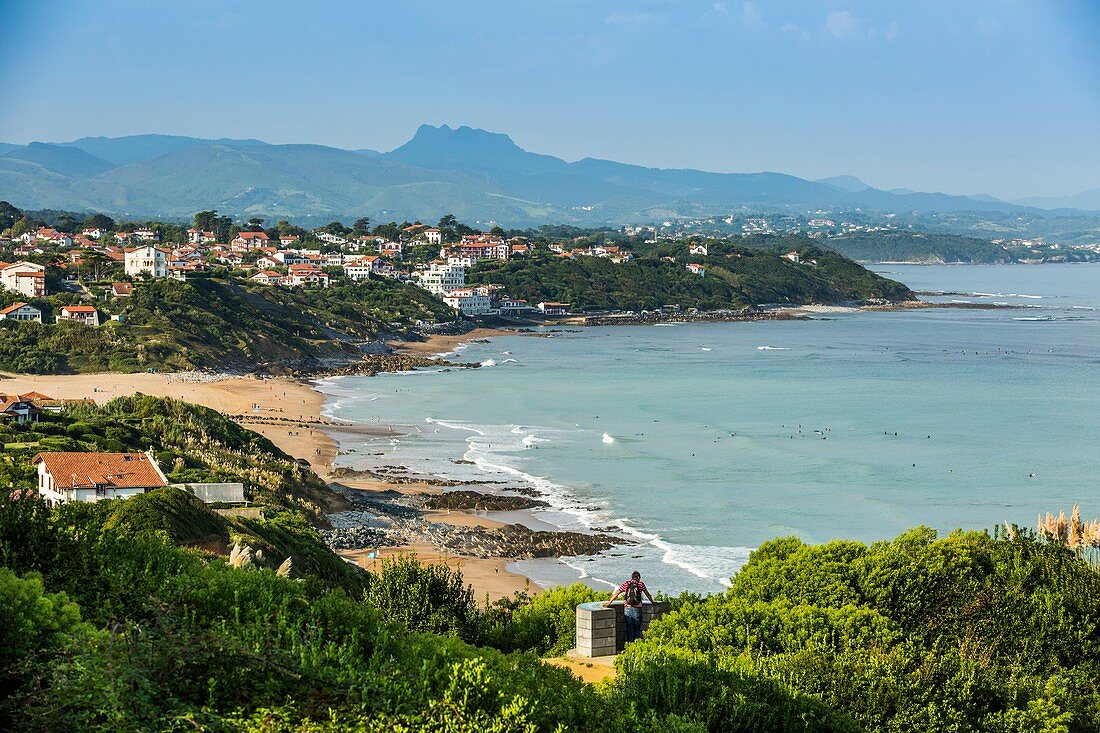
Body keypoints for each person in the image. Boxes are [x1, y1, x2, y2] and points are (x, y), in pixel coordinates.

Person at [604, 571, 654, 643]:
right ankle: (636, 645)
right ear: (639, 578)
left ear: (631, 577)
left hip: (627, 608)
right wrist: (652, 602)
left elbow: (617, 593)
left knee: (629, 628)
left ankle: (630, 645)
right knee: (637, 628)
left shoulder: (626, 584)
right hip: (637, 608)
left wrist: (609, 602)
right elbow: (647, 593)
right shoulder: (641, 584)